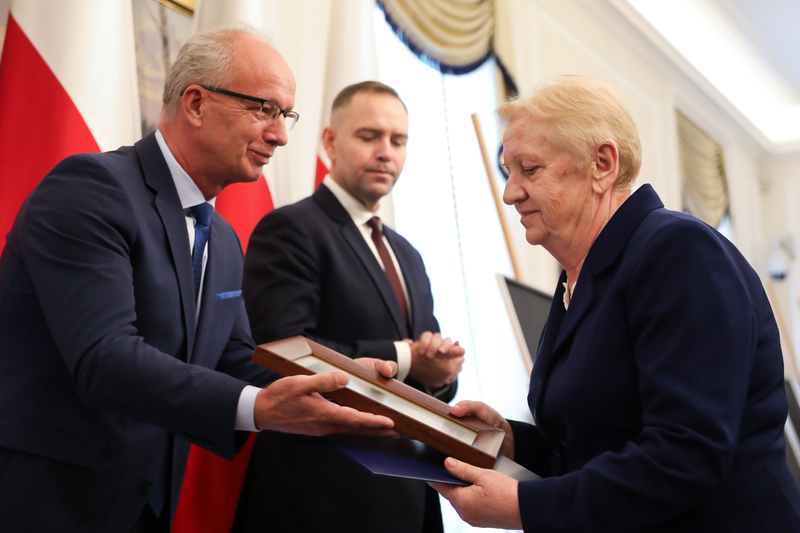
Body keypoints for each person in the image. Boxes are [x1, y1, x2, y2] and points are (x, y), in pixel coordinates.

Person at [0, 25, 397, 533]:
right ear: (194, 103)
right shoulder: (91, 190)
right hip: (44, 501)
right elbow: (105, 356)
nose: (280, 134)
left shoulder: (225, 239)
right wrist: (258, 406)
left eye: (286, 115)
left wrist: (335, 382)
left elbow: (232, 359)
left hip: (143, 507)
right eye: (264, 109)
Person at [430, 75, 800, 531]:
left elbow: (686, 454)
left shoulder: (679, 251)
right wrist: (510, 442)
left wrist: (526, 506)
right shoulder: (578, 279)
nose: (510, 193)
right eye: (508, 172)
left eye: (530, 169)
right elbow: (592, 445)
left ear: (602, 164)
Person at [237, 81, 464, 533]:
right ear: (330, 142)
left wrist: (442, 374)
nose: (386, 152)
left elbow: (424, 382)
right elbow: (284, 353)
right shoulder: (291, 229)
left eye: (398, 141)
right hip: (317, 499)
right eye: (369, 136)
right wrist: (405, 357)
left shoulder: (407, 254)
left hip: (410, 500)